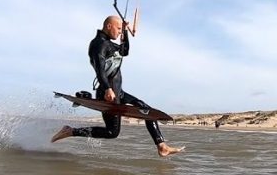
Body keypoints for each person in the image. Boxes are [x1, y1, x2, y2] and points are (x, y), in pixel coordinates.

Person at [51, 15, 183, 157]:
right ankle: (70, 131)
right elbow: (99, 69)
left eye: (121, 29)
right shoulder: (98, 44)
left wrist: (126, 31)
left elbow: (124, 50)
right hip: (108, 93)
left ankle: (162, 146)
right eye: (118, 28)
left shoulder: (108, 43)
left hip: (118, 91)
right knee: (111, 132)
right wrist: (107, 88)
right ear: (109, 26)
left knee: (146, 110)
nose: (119, 32)